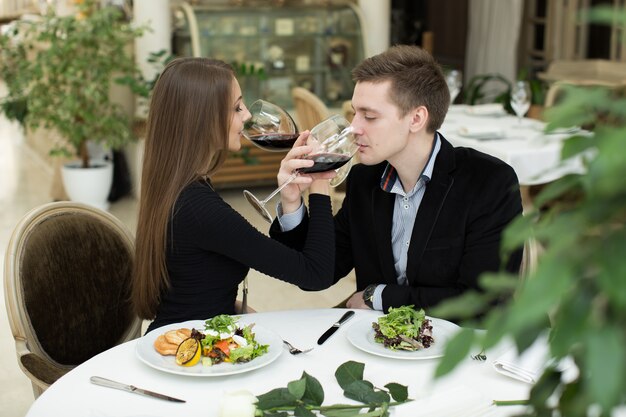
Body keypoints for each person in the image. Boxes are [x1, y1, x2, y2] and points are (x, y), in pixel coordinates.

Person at [270, 45, 523, 314]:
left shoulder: (489, 182)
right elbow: (316, 274)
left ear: (416, 118)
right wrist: (294, 202)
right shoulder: (364, 180)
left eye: (369, 116)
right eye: (355, 113)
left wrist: (379, 296)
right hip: (379, 341)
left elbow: (480, 301)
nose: (354, 127)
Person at [132, 57, 336, 333]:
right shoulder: (199, 209)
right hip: (189, 354)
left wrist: (290, 199)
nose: (247, 116)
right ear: (202, 118)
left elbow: (193, 283)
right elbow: (316, 273)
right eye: (236, 108)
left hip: (191, 336)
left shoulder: (176, 187)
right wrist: (321, 183)